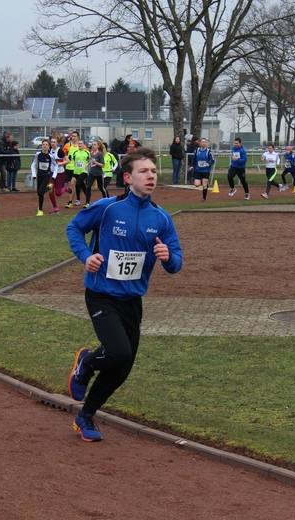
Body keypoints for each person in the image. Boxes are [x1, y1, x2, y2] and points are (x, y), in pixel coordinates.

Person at [65, 147, 182, 442]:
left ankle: (85, 416)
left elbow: (176, 263)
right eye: (144, 171)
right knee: (119, 352)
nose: (151, 176)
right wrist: (85, 256)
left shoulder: (162, 218)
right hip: (101, 294)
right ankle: (86, 363)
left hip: (132, 300)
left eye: (153, 171)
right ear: (128, 178)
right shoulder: (108, 208)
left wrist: (168, 257)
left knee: (123, 367)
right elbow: (74, 227)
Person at [31, 138, 57, 216]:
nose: (44, 146)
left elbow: (56, 165)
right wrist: (34, 175)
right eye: (43, 145)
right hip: (39, 175)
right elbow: (33, 164)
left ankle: (40, 210)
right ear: (41, 146)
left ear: (49, 146)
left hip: (46, 175)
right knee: (39, 193)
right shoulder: (38, 154)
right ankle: (48, 188)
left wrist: (54, 176)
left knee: (41, 192)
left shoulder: (51, 156)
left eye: (46, 145)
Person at [188, 137, 215, 202]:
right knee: (197, 184)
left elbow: (213, 161)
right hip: (198, 170)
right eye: (202, 142)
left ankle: (204, 199)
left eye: (205, 142)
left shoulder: (208, 152)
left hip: (206, 170)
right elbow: (194, 159)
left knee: (204, 185)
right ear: (200, 143)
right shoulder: (197, 151)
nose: (204, 143)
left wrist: (209, 164)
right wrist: (191, 166)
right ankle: (205, 184)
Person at [68, 138, 91, 208]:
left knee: (78, 183)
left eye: (81, 143)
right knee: (77, 184)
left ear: (84, 145)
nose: (80, 145)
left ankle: (78, 200)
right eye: (79, 143)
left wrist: (88, 164)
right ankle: (88, 197)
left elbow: (90, 161)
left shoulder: (87, 152)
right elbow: (73, 160)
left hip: (84, 171)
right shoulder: (75, 153)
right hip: (76, 171)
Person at [86, 139, 106, 205]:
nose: (93, 146)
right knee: (88, 186)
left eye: (95, 145)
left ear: (98, 146)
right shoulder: (91, 153)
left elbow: (102, 165)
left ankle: (107, 200)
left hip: (98, 173)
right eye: (92, 144)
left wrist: (95, 162)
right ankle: (87, 202)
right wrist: (88, 164)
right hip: (92, 172)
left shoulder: (100, 154)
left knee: (101, 188)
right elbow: (91, 161)